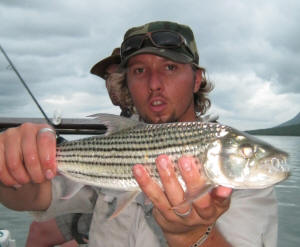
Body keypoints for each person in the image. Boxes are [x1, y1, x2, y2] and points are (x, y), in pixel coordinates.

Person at [0, 21, 277, 247]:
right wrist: (9, 170)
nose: (154, 84)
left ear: (196, 79)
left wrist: (191, 236)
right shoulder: (115, 146)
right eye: (139, 70)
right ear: (128, 83)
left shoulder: (242, 173)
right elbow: (33, 197)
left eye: (170, 68)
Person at [26, 48, 123, 247]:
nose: (111, 81)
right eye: (107, 76)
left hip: (115, 203)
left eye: (118, 73)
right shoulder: (122, 118)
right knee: (39, 228)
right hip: (103, 197)